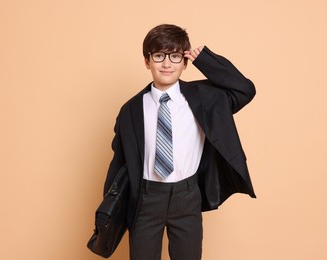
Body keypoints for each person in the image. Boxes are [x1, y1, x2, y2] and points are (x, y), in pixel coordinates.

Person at [103, 24, 256, 260]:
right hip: (145, 198)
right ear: (147, 61)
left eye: (175, 56)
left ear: (184, 62)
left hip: (187, 196)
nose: (166, 64)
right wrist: (109, 210)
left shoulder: (205, 98)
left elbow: (245, 90)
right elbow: (119, 163)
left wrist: (206, 60)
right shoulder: (130, 110)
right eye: (159, 56)